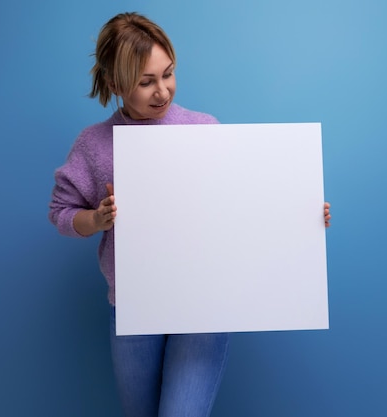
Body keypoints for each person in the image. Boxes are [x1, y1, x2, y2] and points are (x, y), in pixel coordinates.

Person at [48, 12, 331, 417]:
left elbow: (244, 208)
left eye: (168, 74)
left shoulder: (204, 129)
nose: (162, 91)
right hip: (133, 306)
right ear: (115, 84)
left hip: (204, 307)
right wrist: (97, 219)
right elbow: (61, 212)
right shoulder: (94, 145)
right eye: (146, 82)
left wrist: (299, 216)